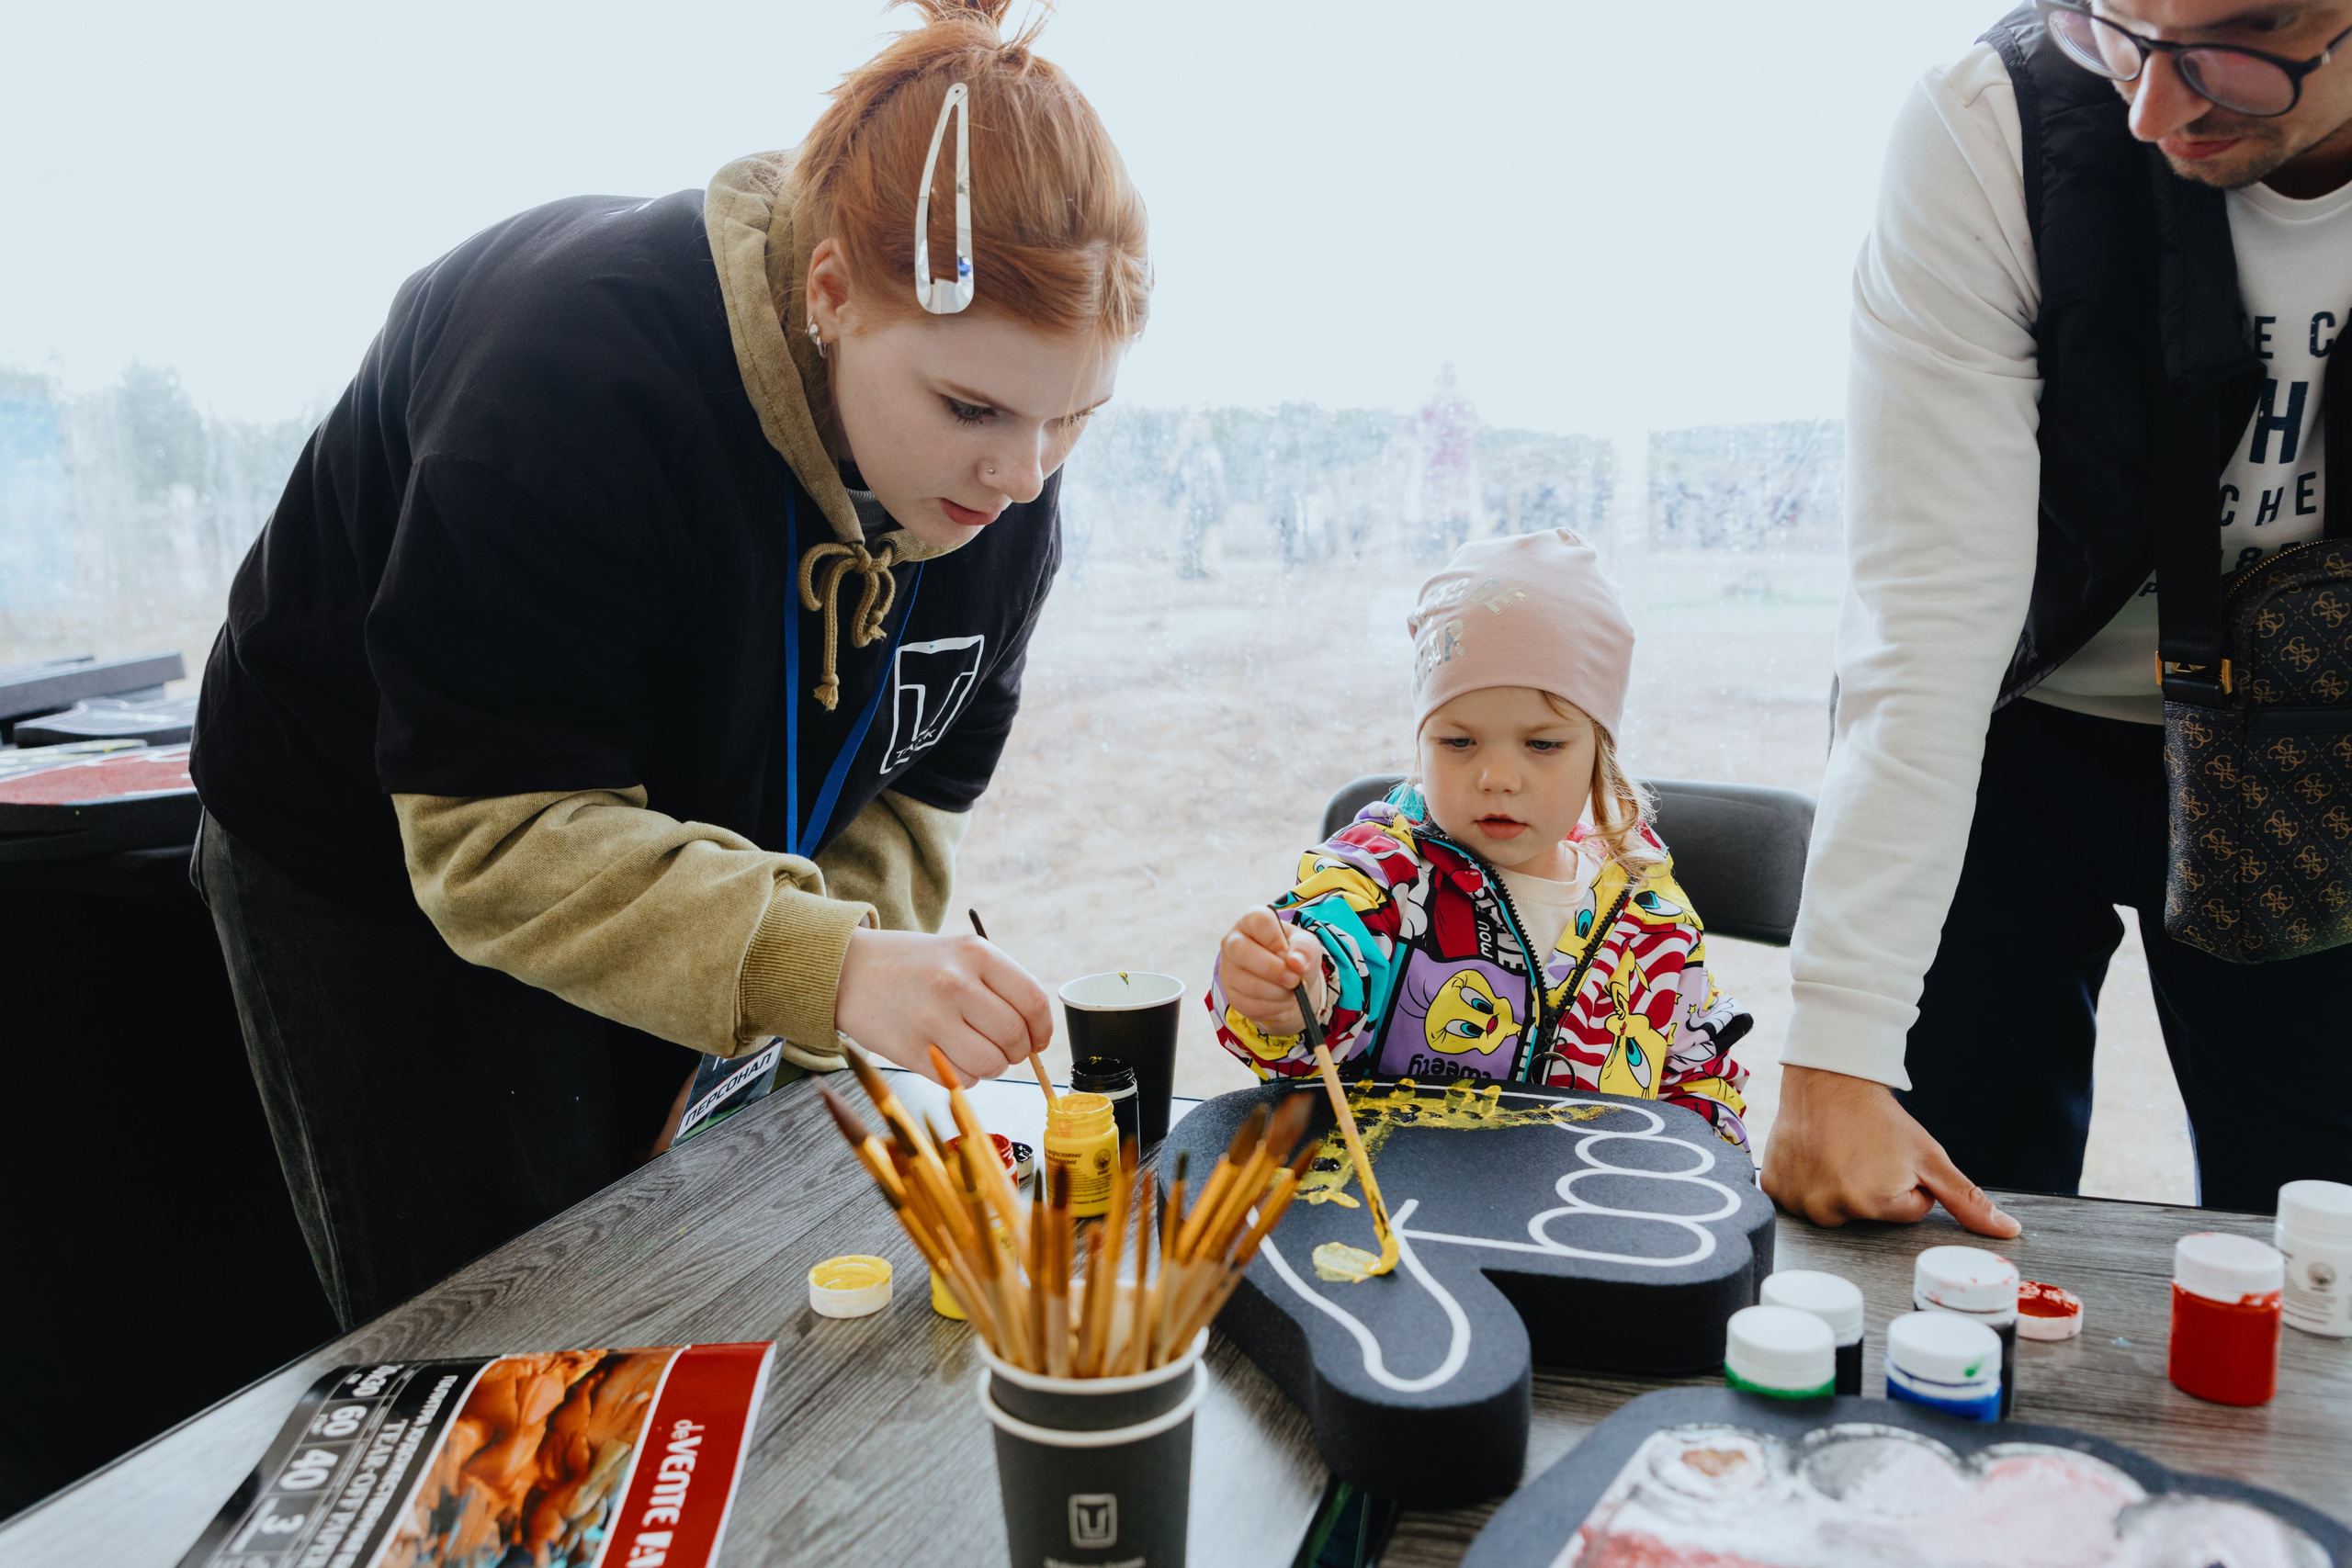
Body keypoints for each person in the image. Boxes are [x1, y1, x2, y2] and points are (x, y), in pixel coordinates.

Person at [187, 0, 1149, 1326]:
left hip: (666, 832)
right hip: (379, 855)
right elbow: (495, 836)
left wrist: (826, 984)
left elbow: (909, 799)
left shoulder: (1008, 492)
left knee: (691, 1247)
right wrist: (833, 966)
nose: (1020, 475)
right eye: (970, 407)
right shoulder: (570, 383)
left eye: (1072, 419)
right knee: (500, 1331)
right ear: (829, 296)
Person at [1768, 0, 2352, 1232]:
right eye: (2120, 26)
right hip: (2013, 726)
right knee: (1933, 1209)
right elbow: (1926, 611)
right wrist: (1836, 1044)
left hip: (2319, 745)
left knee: (2321, 1235)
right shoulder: (1996, 127)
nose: (2152, 109)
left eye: (2235, 43)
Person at [1206, 531, 1753, 1147]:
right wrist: (1289, 988)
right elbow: (1328, 953)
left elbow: (1697, 1075)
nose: (1496, 777)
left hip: (1587, 1227)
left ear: (1599, 753)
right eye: (1458, 742)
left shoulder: (1651, 917)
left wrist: (1705, 1156)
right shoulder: (1386, 874)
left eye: (1542, 744)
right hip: (1396, 1222)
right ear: (1421, 739)